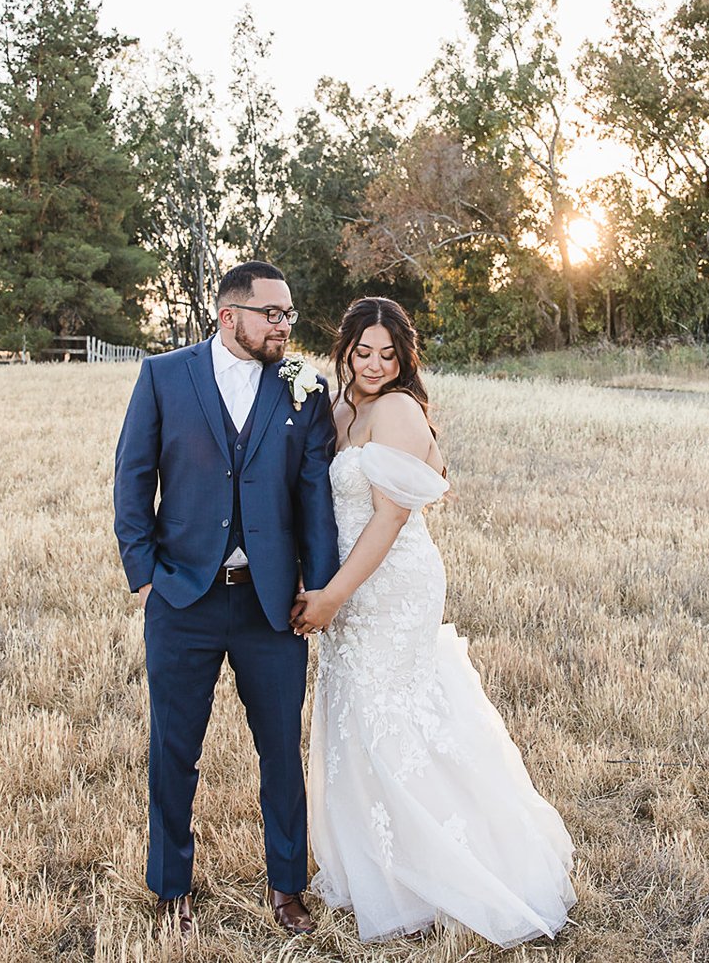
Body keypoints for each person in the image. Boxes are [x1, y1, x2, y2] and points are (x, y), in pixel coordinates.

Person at [293, 297, 576, 946]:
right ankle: (382, 864)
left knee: (391, 711)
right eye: (362, 352)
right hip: (352, 581)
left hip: (389, 583)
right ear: (343, 350)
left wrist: (333, 594)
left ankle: (449, 864)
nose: (373, 364)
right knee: (357, 713)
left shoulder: (393, 408)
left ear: (403, 358)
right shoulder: (344, 408)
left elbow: (390, 518)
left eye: (386, 354)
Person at [113, 262, 340, 939]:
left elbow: (315, 495)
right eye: (272, 313)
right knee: (174, 750)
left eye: (289, 315)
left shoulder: (304, 388)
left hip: (271, 606)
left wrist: (318, 583)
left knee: (280, 751)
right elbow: (132, 479)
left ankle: (286, 885)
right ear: (228, 315)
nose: (284, 326)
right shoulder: (163, 376)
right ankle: (171, 887)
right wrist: (146, 575)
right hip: (182, 600)